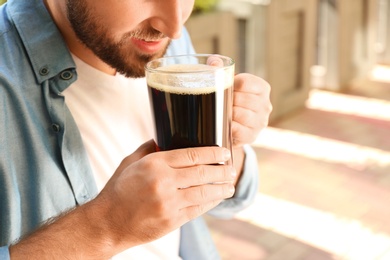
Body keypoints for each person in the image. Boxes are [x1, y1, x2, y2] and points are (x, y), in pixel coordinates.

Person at [0, 0, 272, 259]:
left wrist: (229, 143)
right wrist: (103, 227)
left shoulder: (159, 40)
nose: (174, 27)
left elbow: (228, 197)